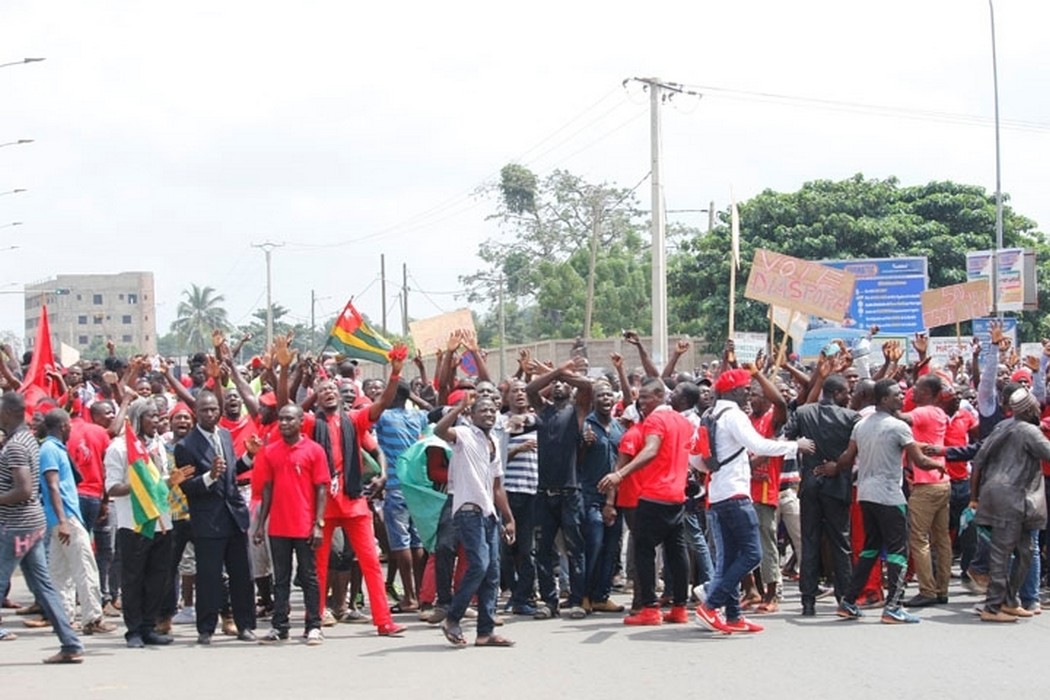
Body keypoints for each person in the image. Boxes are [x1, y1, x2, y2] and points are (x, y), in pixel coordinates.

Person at [693, 368, 815, 634]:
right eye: (745, 389)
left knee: (730, 557)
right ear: (732, 391)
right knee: (752, 553)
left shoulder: (708, 415)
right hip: (736, 494)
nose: (748, 393)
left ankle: (734, 615)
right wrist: (795, 445)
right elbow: (759, 446)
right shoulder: (734, 416)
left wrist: (709, 468)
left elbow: (693, 456)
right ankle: (711, 605)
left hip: (717, 494)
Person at [830, 379, 945, 624]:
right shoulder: (898, 427)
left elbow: (847, 458)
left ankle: (848, 602)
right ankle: (894, 606)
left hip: (866, 494)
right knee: (898, 551)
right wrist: (938, 464)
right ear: (883, 399)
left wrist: (834, 468)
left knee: (871, 548)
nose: (902, 398)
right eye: (896, 395)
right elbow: (919, 461)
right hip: (890, 496)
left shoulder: (861, 425)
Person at [598, 378, 692, 626]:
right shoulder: (683, 422)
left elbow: (651, 449)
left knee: (644, 551)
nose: (642, 404)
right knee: (676, 551)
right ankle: (680, 607)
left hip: (654, 495)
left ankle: (650, 608)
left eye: (646, 398)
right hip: (677, 495)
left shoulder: (655, 420)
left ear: (660, 395)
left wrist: (620, 474)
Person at [0, 392, 85, 663]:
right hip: (31, 523)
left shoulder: (15, 446)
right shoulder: (26, 439)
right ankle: (71, 644)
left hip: (17, 526)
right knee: (44, 586)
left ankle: (71, 644)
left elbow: (24, 489)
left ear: (9, 413)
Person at [174, 390, 257, 644]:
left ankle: (245, 625)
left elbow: (231, 472)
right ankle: (206, 628)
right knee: (209, 576)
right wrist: (209, 476)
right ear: (195, 413)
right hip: (208, 520)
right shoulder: (185, 446)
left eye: (213, 409)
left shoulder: (225, 435)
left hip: (234, 516)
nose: (210, 414)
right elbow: (187, 487)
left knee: (242, 574)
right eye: (204, 410)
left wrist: (249, 456)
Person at [105, 396, 188, 648]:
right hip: (135, 524)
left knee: (158, 578)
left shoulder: (158, 446)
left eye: (158, 415)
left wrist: (170, 481)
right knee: (134, 579)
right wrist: (141, 485)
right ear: (137, 418)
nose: (157, 420)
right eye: (151, 416)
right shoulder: (119, 448)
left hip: (162, 521)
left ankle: (149, 626)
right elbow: (112, 488)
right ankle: (133, 631)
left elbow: (159, 482)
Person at [434, 396, 516, 647]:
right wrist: (459, 409)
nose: (490, 414)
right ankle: (452, 617)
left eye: (493, 410)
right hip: (468, 511)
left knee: (492, 572)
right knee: (479, 565)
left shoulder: (494, 441)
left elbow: (497, 486)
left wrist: (509, 519)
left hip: (489, 513)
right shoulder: (464, 434)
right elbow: (439, 431)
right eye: (483, 410)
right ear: (472, 415)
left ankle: (485, 632)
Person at [970, 388, 1050, 622]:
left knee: (1025, 552)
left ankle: (1009, 599)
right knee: (1002, 553)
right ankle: (992, 607)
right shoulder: (1028, 430)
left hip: (1008, 497)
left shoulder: (1002, 426)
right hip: (1012, 497)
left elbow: (979, 459)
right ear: (1028, 409)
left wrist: (975, 495)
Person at [783, 373, 859, 616]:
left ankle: (808, 600)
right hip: (837, 485)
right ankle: (844, 599)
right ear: (836, 393)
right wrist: (838, 464)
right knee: (841, 543)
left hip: (811, 485)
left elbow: (788, 435)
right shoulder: (851, 418)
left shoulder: (804, 413)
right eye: (847, 392)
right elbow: (859, 446)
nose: (850, 396)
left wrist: (806, 446)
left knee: (810, 540)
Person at [253, 404, 329, 643]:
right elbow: (267, 490)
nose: (284, 423)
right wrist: (259, 525)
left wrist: (318, 523)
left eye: (289, 419)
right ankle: (280, 627)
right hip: (278, 526)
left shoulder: (314, 450)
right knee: (281, 579)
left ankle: (314, 625)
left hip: (305, 525)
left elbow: (322, 489)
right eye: (281, 420)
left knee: (309, 577)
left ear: (300, 421)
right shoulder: (269, 451)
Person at [526, 357, 592, 620]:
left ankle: (576, 600)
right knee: (542, 550)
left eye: (562, 384)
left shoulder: (576, 410)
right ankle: (549, 602)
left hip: (570, 491)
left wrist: (563, 374)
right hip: (544, 492)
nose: (557, 387)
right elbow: (531, 390)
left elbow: (586, 385)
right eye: (553, 384)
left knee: (575, 549)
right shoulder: (543, 410)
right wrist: (556, 372)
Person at [38, 409, 115, 634]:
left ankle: (62, 618)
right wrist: (63, 520)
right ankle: (92, 618)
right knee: (85, 566)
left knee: (60, 571)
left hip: (60, 518)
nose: (72, 429)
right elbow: (52, 485)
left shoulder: (52, 448)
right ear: (63, 426)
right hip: (66, 517)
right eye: (69, 426)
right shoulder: (51, 450)